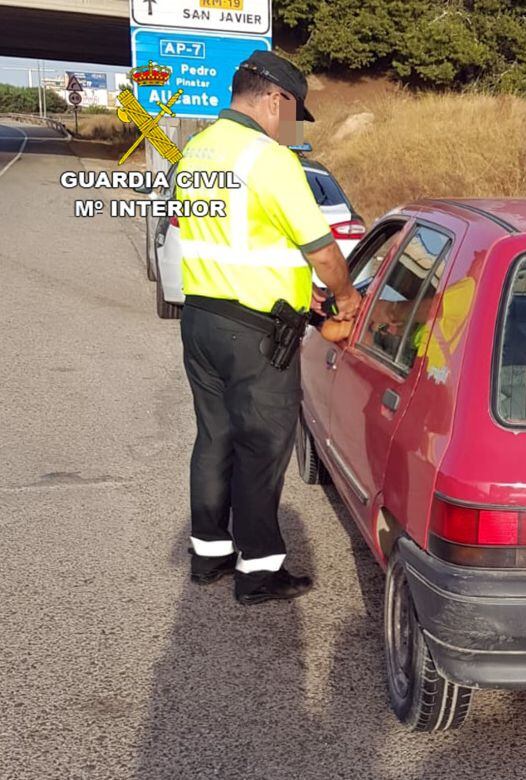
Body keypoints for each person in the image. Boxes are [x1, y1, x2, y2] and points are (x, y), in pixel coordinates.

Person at [174, 51, 362, 604]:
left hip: (201, 318)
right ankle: (259, 571)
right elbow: (323, 251)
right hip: (254, 333)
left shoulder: (195, 151)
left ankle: (209, 555)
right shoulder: (268, 158)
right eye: (292, 110)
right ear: (274, 98)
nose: (290, 122)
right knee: (262, 446)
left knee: (214, 437)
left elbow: (241, 240)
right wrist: (345, 298)